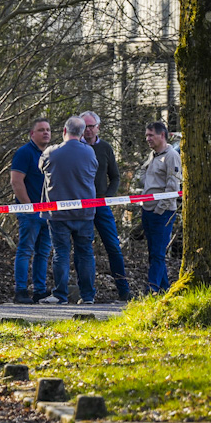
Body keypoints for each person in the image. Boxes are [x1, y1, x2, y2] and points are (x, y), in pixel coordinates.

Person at [41, 115, 100, 306]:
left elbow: (40, 167)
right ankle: (88, 296)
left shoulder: (51, 152)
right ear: (82, 133)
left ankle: (60, 295)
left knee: (61, 253)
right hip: (85, 213)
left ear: (64, 131)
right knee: (85, 254)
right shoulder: (90, 152)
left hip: (58, 214)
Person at [81, 112, 132, 301]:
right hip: (81, 205)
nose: (88, 130)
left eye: (91, 126)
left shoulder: (105, 148)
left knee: (113, 247)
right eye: (85, 127)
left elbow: (115, 177)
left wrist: (108, 198)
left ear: (98, 127)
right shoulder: (75, 147)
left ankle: (123, 290)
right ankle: (86, 293)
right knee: (83, 248)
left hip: (101, 204)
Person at [10, 119, 55, 304]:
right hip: (30, 211)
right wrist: (29, 207)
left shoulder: (52, 153)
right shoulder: (24, 153)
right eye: (41, 130)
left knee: (43, 253)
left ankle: (39, 290)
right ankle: (20, 290)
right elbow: (16, 181)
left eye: (48, 130)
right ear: (32, 133)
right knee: (25, 251)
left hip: (48, 212)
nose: (46, 133)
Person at [137, 120, 183, 292]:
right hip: (147, 209)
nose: (147, 138)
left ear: (162, 135)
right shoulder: (153, 155)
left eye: (151, 135)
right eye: (146, 135)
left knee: (158, 254)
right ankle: (164, 288)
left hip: (162, 213)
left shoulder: (171, 156)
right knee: (153, 253)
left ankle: (152, 289)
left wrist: (159, 209)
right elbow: (143, 176)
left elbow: (173, 187)